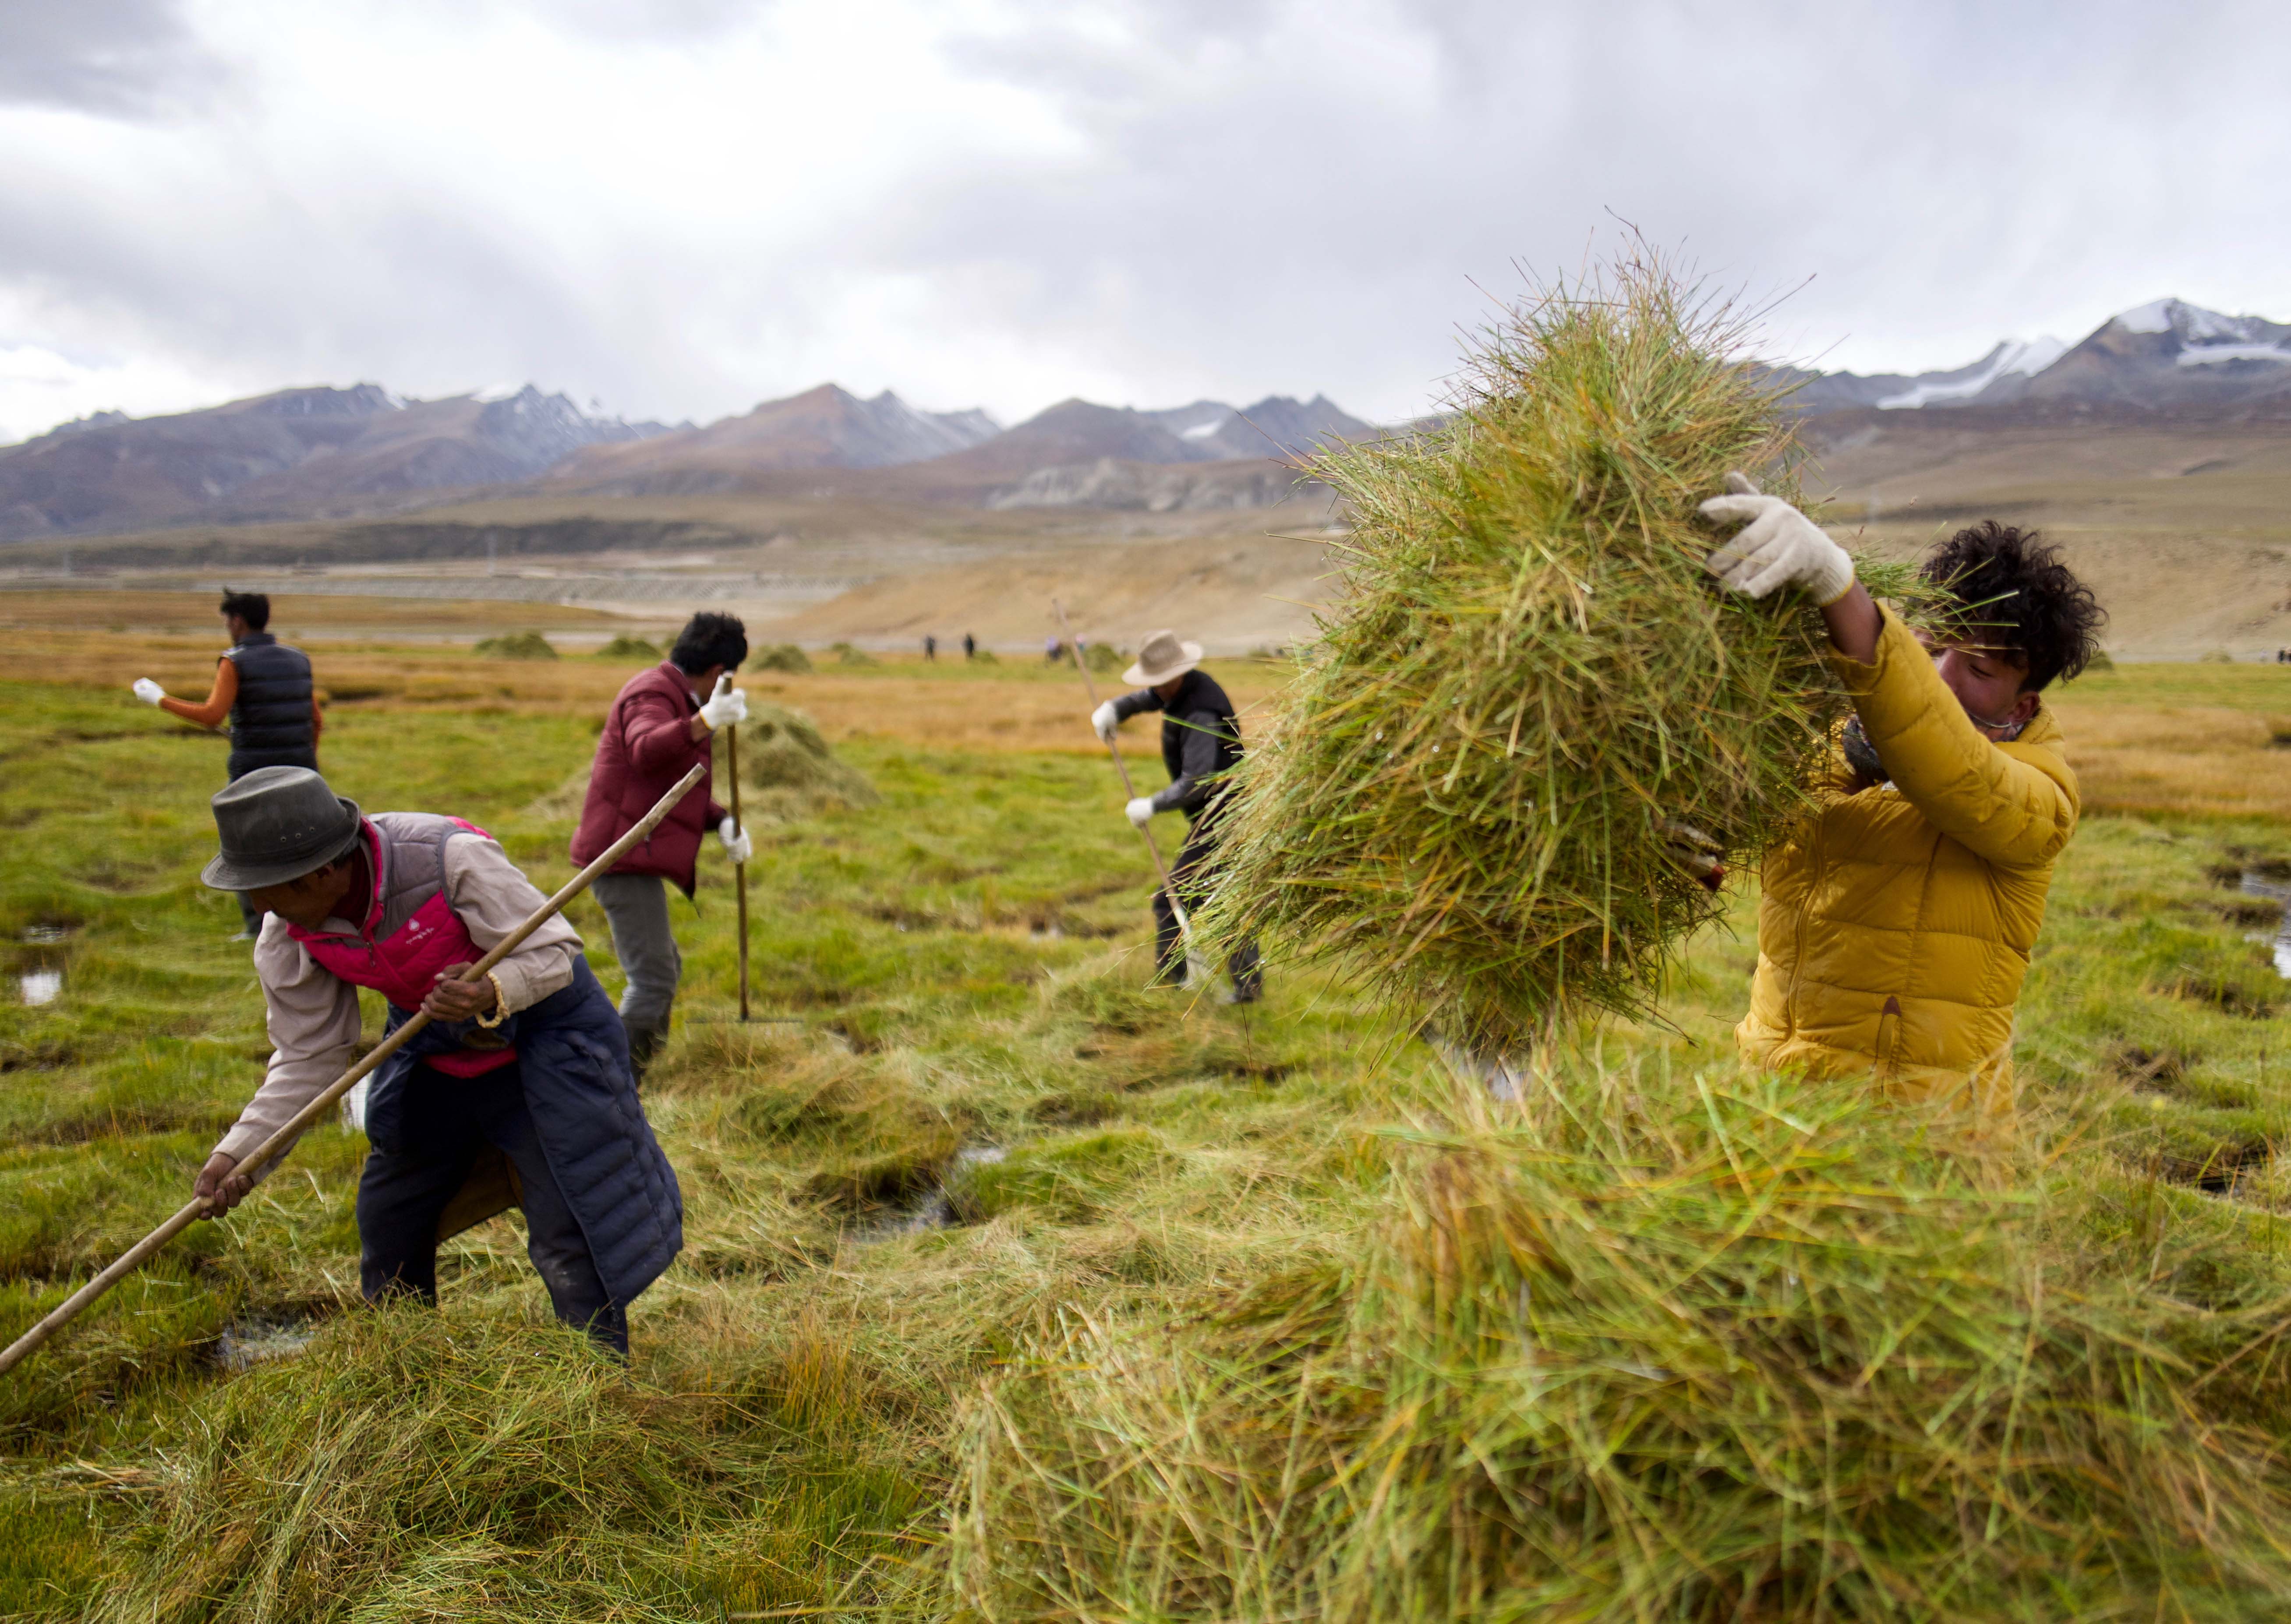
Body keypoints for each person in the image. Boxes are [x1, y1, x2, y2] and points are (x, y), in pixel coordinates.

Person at [189, 766, 680, 1357]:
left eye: (266, 886)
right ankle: (406, 1366)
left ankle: (598, 1376)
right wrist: (242, 1154)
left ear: (322, 872)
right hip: (436, 1050)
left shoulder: (447, 860)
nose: (256, 904)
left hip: (544, 1042)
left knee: (569, 1224)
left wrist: (490, 989)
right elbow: (309, 1056)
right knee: (389, 1217)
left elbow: (555, 953)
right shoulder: (288, 933)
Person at [1699, 474, 2106, 1119]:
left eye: (1976, 669)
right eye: (1933, 644)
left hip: (1916, 1144)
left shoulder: (2036, 798)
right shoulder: (1836, 745)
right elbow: (1735, 838)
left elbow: (1946, 762)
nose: (1940, 677)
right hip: (1771, 1109)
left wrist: (1837, 586)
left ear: (2022, 703)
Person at [572, 612, 752, 1080]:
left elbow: (675, 782)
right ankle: (618, 1084)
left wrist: (724, 821)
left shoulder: (674, 695)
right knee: (652, 978)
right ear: (719, 673)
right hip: (619, 856)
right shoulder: (652, 693)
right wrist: (704, 721)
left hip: (633, 853)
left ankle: (646, 1070)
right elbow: (646, 749)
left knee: (663, 966)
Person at [132, 589, 322, 939]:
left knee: (246, 850)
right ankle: (311, 918)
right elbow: (316, 720)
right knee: (304, 848)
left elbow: (212, 715)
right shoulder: (299, 659)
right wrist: (305, 760)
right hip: (302, 771)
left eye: (227, 621)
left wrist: (159, 699)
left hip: (251, 774)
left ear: (238, 621)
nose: (227, 627)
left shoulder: (234, 661)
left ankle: (257, 928)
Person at [1091, 628, 1262, 1002]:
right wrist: (1116, 709)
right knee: (1226, 898)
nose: (1157, 690)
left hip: (1224, 816)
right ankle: (1246, 990)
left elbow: (1198, 780)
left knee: (1171, 898)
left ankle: (1172, 987)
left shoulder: (1201, 711)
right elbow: (1148, 698)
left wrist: (1151, 805)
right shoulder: (1183, 689)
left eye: (1161, 683)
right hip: (1223, 813)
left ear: (1177, 675)